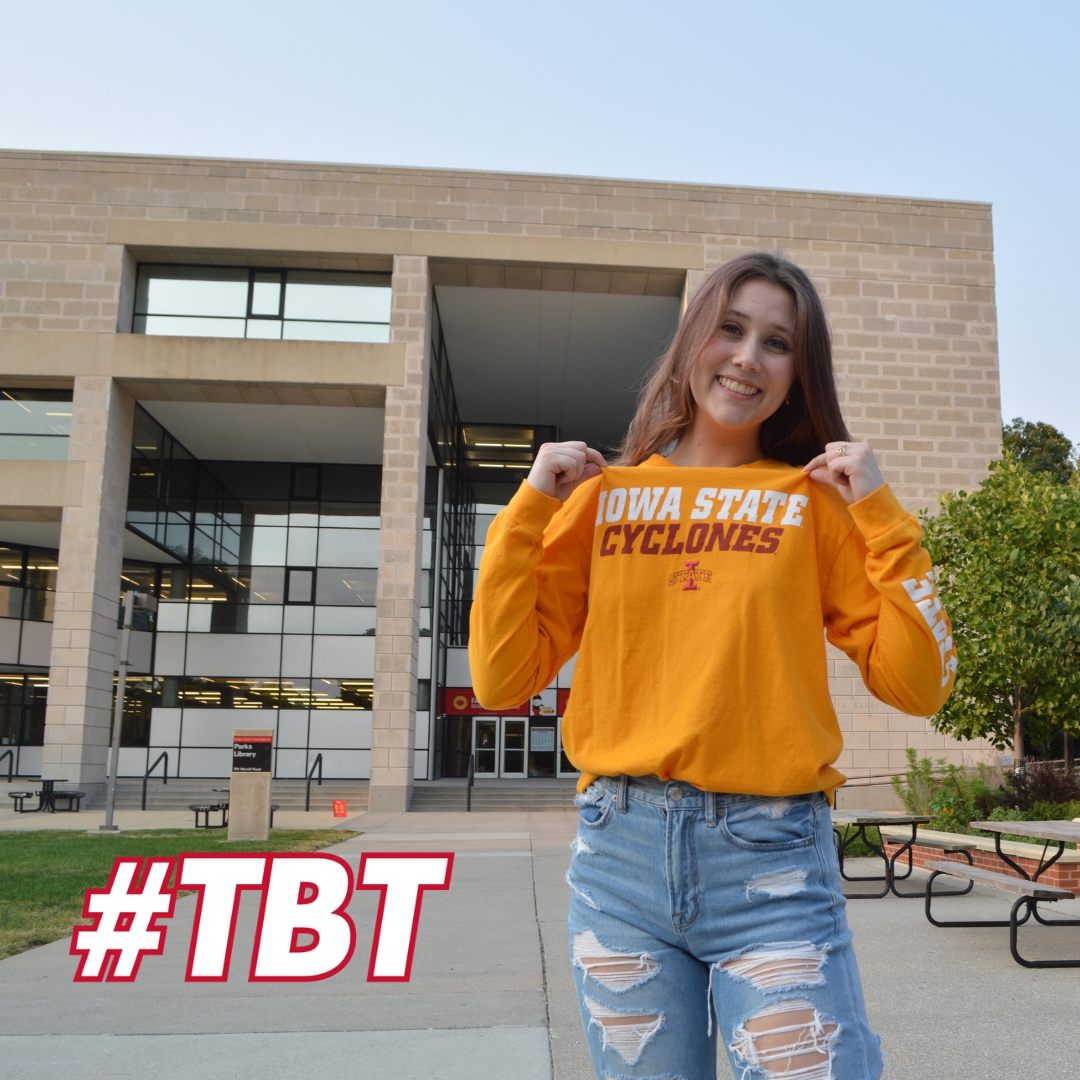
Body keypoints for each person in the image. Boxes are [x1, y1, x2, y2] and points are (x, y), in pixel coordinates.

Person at [468, 251, 957, 1080]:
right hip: (618, 861)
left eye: (777, 342)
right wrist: (527, 512)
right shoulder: (600, 498)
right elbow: (501, 677)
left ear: (799, 373)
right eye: (730, 328)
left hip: (771, 860)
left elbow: (919, 685)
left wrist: (879, 510)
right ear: (692, 339)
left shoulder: (815, 504)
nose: (746, 357)